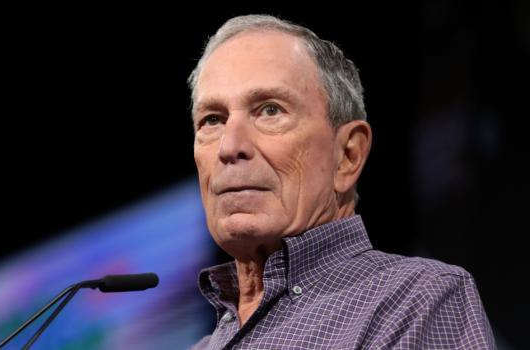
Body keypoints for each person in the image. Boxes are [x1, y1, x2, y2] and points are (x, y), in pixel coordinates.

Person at [187, 14, 496, 349]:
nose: (229, 147)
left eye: (270, 110)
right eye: (213, 119)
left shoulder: (417, 300)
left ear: (348, 155)